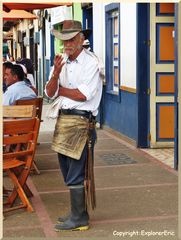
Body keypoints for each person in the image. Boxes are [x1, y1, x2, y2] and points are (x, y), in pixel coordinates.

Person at [45, 20, 103, 231]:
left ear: (81, 39)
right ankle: (78, 212)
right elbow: (49, 93)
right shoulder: (61, 61)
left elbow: (82, 95)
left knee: (76, 172)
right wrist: (55, 74)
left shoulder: (91, 62)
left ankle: (79, 219)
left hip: (81, 122)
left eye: (71, 39)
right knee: (66, 168)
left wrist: (61, 90)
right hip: (64, 119)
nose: (67, 44)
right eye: (64, 40)